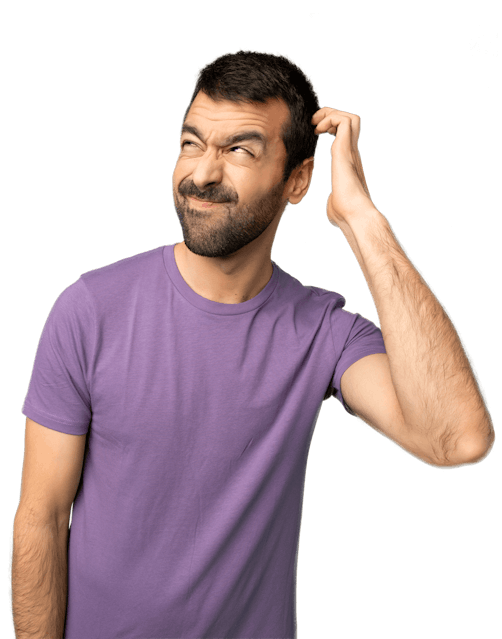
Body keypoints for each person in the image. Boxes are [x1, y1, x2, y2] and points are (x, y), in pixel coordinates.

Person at [11, 49, 494, 639]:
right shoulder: (89, 310)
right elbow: (43, 518)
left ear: (298, 180)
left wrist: (362, 219)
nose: (202, 174)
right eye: (191, 144)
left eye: (239, 150)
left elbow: (458, 438)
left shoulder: (324, 332)